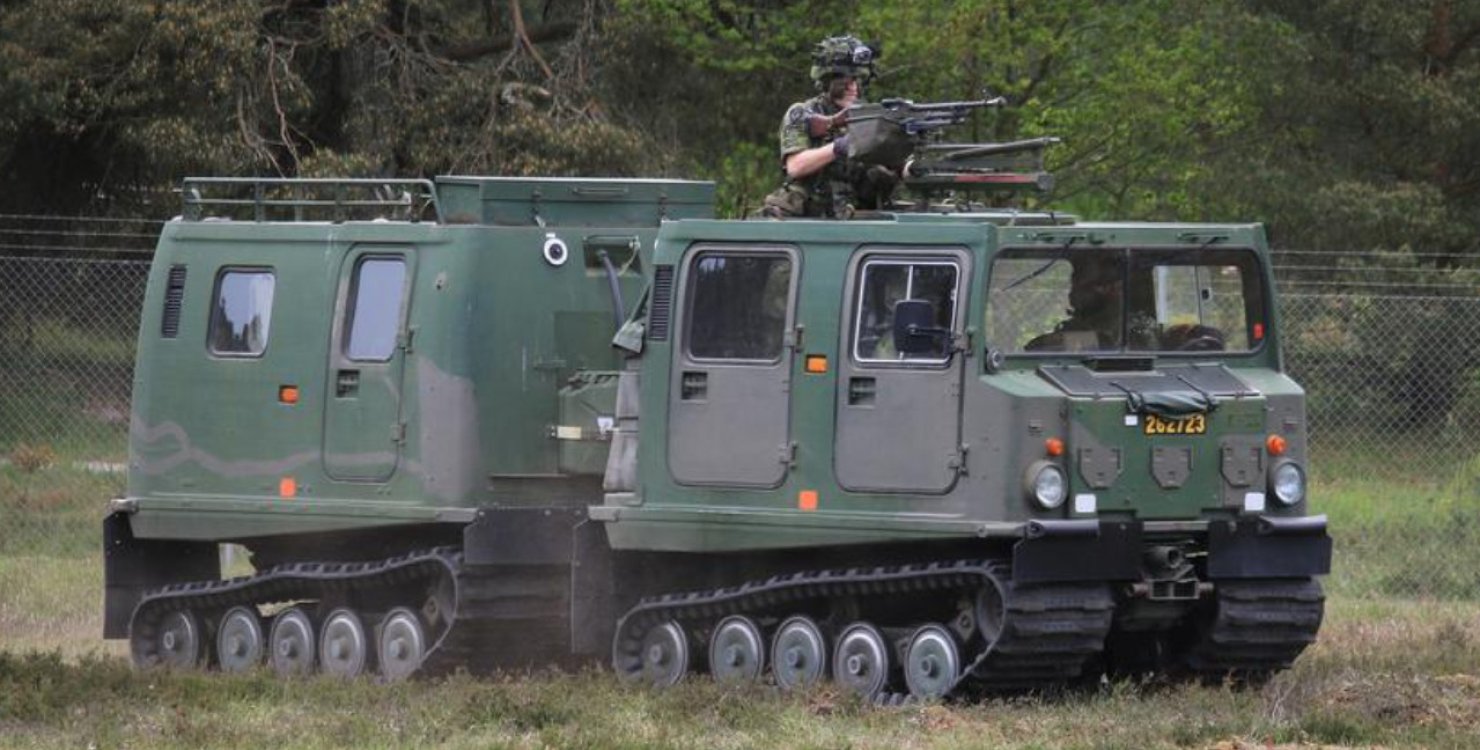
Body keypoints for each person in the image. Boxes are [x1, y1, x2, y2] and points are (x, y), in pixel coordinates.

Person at [760, 35, 879, 219]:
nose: (853, 88)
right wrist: (839, 146)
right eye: (845, 83)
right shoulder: (803, 113)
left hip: (848, 215)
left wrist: (909, 165)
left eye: (857, 81)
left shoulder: (867, 116)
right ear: (827, 82)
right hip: (806, 217)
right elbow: (796, 166)